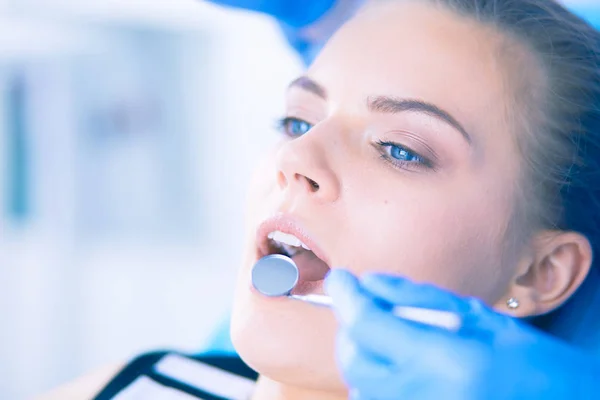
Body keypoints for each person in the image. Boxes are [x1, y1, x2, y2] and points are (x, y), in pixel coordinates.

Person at [39, 0, 600, 399]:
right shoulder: (135, 383)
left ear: (539, 272)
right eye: (296, 120)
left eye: (400, 150)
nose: (295, 159)